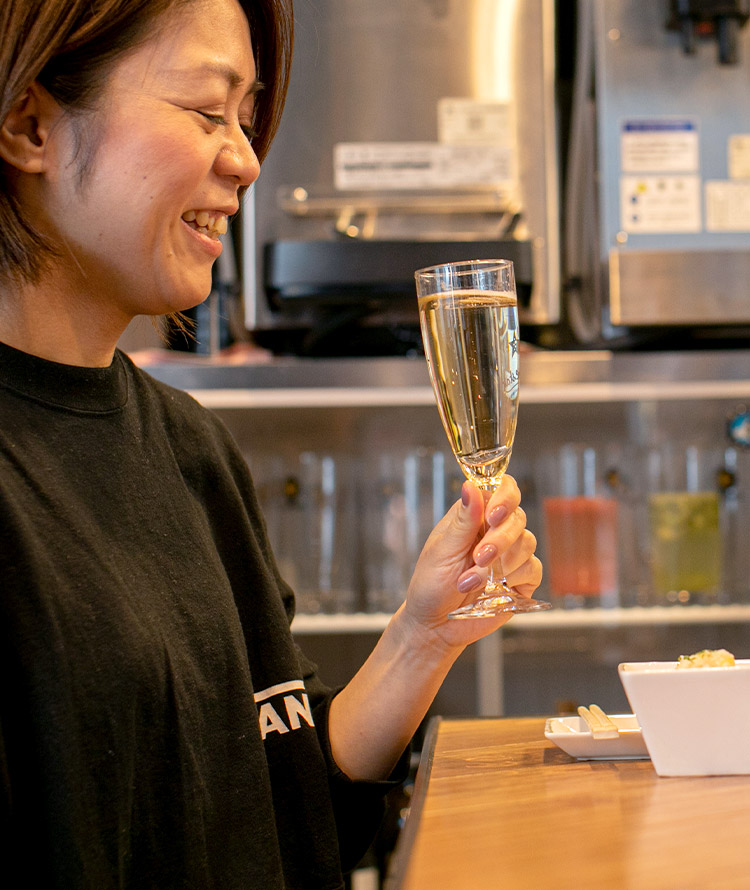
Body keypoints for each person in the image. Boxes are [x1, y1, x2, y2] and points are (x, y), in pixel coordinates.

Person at [0, 0, 543, 887]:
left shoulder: (190, 453)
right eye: (207, 111)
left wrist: (422, 638)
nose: (246, 161)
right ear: (30, 125)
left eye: (247, 123)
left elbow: (284, 816)